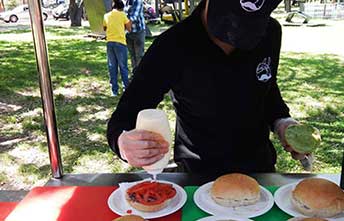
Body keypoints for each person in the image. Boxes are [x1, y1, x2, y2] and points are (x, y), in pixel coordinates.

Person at [107, 0, 308, 174]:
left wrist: (283, 121)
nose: (234, 38)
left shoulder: (270, 33)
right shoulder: (172, 45)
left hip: (258, 169)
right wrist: (123, 144)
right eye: (228, 22)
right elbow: (124, 115)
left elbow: (265, 88)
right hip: (197, 173)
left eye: (247, 27)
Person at [103, 0, 132, 96]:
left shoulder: (106, 15)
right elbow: (129, 28)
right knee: (123, 66)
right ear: (121, 8)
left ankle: (114, 90)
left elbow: (104, 28)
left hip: (110, 42)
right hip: (120, 43)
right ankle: (126, 88)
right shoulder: (123, 15)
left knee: (112, 66)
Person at [125, 0, 146, 74]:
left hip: (138, 31)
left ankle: (141, 75)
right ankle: (135, 74)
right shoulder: (126, 1)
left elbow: (134, 17)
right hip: (128, 32)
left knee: (139, 55)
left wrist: (122, 23)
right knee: (132, 55)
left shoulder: (138, 1)